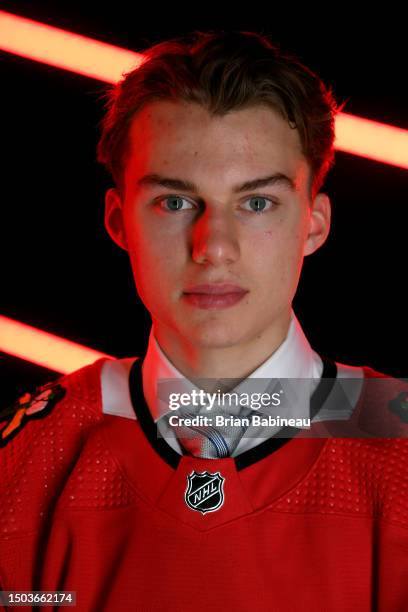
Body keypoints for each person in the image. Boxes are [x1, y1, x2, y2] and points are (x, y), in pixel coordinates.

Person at [1, 29, 408, 612]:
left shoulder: (400, 449)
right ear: (119, 221)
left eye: (256, 202)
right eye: (175, 202)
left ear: (314, 223)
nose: (214, 246)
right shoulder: (26, 460)